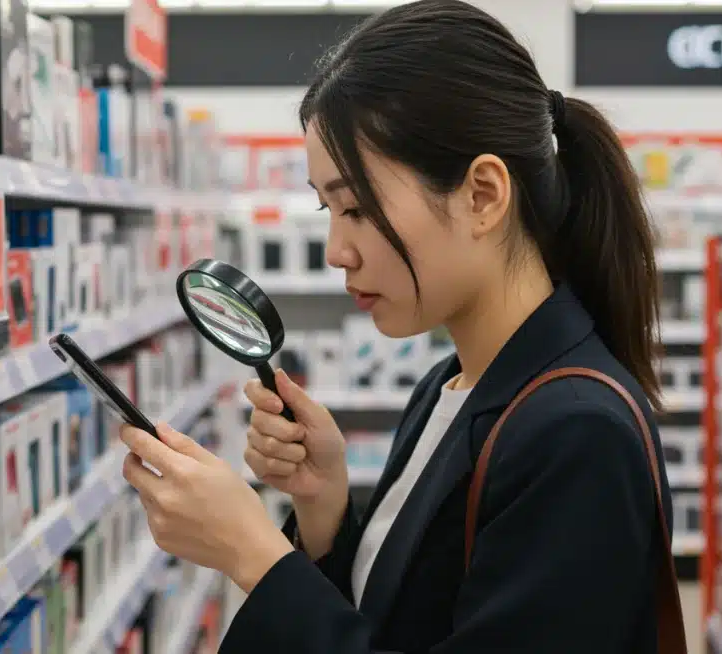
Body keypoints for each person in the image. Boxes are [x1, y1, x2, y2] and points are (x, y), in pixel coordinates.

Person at [117, 1, 687, 652]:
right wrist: (325, 509)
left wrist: (254, 556)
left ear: (483, 196)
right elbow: (398, 624)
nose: (336, 249)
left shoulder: (577, 433)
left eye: (356, 207)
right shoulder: (450, 386)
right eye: (325, 205)